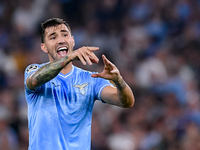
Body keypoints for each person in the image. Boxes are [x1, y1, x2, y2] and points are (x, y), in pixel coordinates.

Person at [24, 18, 135, 150]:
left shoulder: (91, 79)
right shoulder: (34, 70)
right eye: (53, 37)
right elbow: (35, 80)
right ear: (44, 47)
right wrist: (69, 57)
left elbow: (127, 102)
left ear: (72, 40)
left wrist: (119, 81)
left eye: (65, 35)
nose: (60, 40)